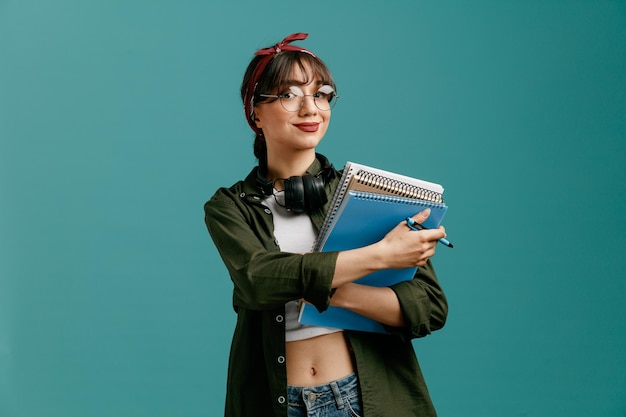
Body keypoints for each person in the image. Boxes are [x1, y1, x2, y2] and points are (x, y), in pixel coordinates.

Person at [203, 33, 448, 417]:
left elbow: (428, 308)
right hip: (279, 404)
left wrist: (328, 292)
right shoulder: (230, 206)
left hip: (367, 399)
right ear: (255, 113)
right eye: (289, 95)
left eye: (321, 93)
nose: (310, 108)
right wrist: (380, 256)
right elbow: (258, 281)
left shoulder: (369, 192)